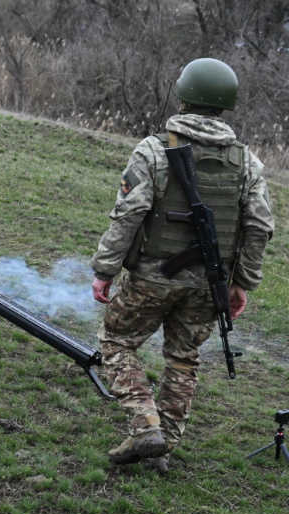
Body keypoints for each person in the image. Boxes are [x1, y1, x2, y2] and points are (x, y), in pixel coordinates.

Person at [90, 58, 274, 473]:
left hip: (153, 277)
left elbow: (128, 214)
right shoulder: (246, 162)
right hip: (209, 283)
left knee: (117, 341)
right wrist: (242, 282)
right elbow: (260, 225)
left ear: (183, 94)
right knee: (184, 356)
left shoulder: (155, 150)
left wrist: (105, 269)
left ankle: (145, 424)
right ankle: (164, 450)